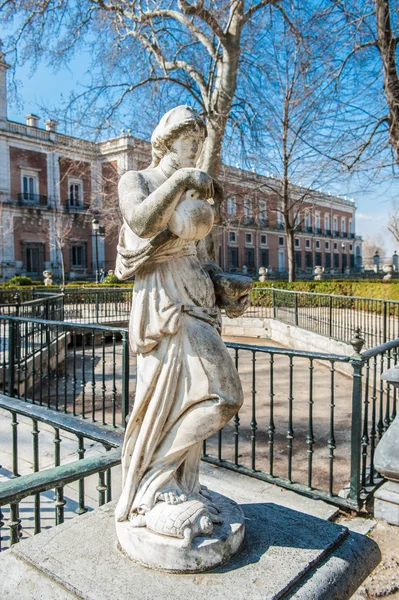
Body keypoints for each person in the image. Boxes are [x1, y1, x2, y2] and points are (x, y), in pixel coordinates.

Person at [114, 106, 251, 534]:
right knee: (219, 395)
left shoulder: (192, 195)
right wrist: (180, 180)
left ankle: (179, 483)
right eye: (188, 141)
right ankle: (154, 483)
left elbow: (198, 255)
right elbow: (139, 220)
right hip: (165, 306)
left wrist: (223, 285)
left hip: (197, 299)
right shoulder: (137, 180)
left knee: (190, 399)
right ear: (166, 141)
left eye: (198, 143)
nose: (194, 150)